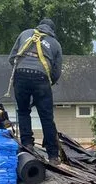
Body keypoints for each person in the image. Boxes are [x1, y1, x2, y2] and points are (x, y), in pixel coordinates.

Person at [8, 18, 63, 165]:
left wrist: (22, 71)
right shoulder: (55, 44)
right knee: (46, 117)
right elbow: (56, 72)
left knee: (24, 111)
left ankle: (27, 145)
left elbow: (12, 58)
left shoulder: (25, 33)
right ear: (52, 30)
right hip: (41, 78)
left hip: (20, 75)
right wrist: (46, 81)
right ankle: (53, 156)